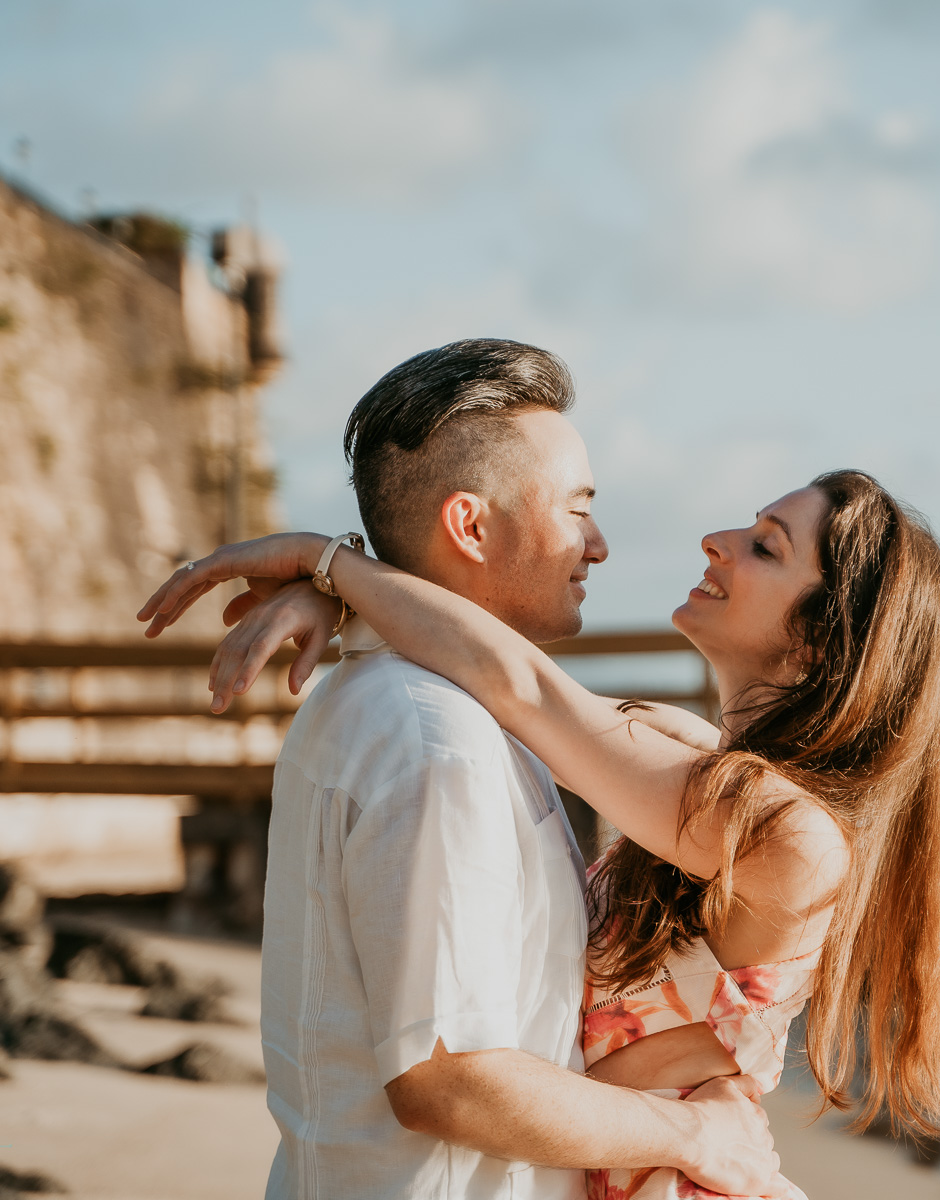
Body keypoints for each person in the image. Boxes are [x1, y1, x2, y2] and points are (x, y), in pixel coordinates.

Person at [143, 447, 940, 1196]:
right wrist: (348, 611)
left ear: (821, 641)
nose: (718, 540)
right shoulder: (689, 757)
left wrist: (326, 563)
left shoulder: (792, 837)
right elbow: (504, 678)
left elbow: (524, 690)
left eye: (765, 547)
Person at [141, 339, 784, 1200]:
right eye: (576, 508)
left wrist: (339, 582)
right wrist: (698, 1133)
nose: (596, 545)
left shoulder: (440, 712)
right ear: (471, 526)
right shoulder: (437, 740)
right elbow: (447, 1077)